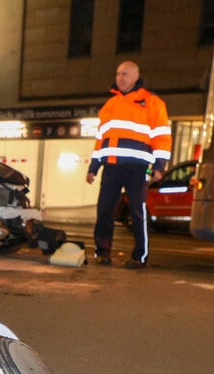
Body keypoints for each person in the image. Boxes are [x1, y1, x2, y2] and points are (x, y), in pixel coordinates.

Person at [86, 61, 171, 269]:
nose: (121, 77)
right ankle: (102, 253)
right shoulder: (110, 105)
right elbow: (101, 139)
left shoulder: (151, 102)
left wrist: (159, 166)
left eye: (125, 74)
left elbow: (161, 137)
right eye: (118, 74)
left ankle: (139, 256)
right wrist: (93, 167)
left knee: (137, 212)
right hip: (112, 168)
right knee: (104, 210)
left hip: (137, 168)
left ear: (135, 76)